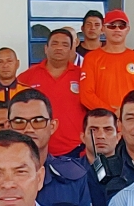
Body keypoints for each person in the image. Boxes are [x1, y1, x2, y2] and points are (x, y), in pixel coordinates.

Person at [7, 88, 99, 206]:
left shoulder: (74, 177)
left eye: (38, 121)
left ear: (53, 126)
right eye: (19, 122)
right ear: (8, 127)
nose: (29, 129)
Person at [18, 27, 88, 156]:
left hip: (76, 150)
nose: (59, 48)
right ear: (46, 48)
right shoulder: (26, 77)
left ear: (72, 50)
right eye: (54, 43)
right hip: (34, 149)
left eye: (65, 44)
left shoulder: (83, 75)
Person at [77, 9, 134, 119]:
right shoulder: (91, 58)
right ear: (103, 29)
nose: (117, 29)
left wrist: (127, 112)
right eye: (112, 26)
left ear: (127, 29)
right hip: (102, 122)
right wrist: (111, 112)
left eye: (121, 26)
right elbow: (86, 95)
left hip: (131, 121)